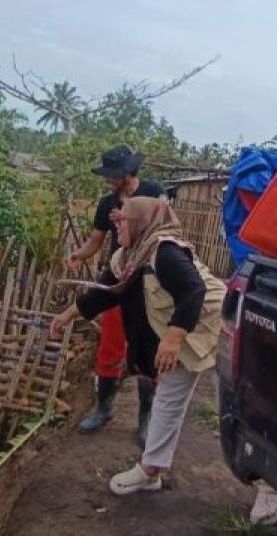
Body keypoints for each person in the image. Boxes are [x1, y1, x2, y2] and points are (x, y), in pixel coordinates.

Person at [51, 197, 226, 495]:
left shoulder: (165, 252)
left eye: (123, 220)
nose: (116, 225)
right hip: (185, 328)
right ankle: (151, 471)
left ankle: (267, 485)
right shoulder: (128, 257)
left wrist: (172, 338)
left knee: (235, 401)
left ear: (140, 222)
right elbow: (104, 292)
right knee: (169, 399)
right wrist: (67, 315)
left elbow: (193, 289)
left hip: (217, 327)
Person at [66, 145, 166, 442]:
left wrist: (127, 220)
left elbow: (161, 229)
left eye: (111, 174)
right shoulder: (106, 202)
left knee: (149, 348)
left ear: (127, 173)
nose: (107, 180)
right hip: (118, 277)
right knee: (110, 344)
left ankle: (146, 417)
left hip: (149, 279)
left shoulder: (154, 192)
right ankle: (104, 407)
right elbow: (96, 240)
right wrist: (79, 255)